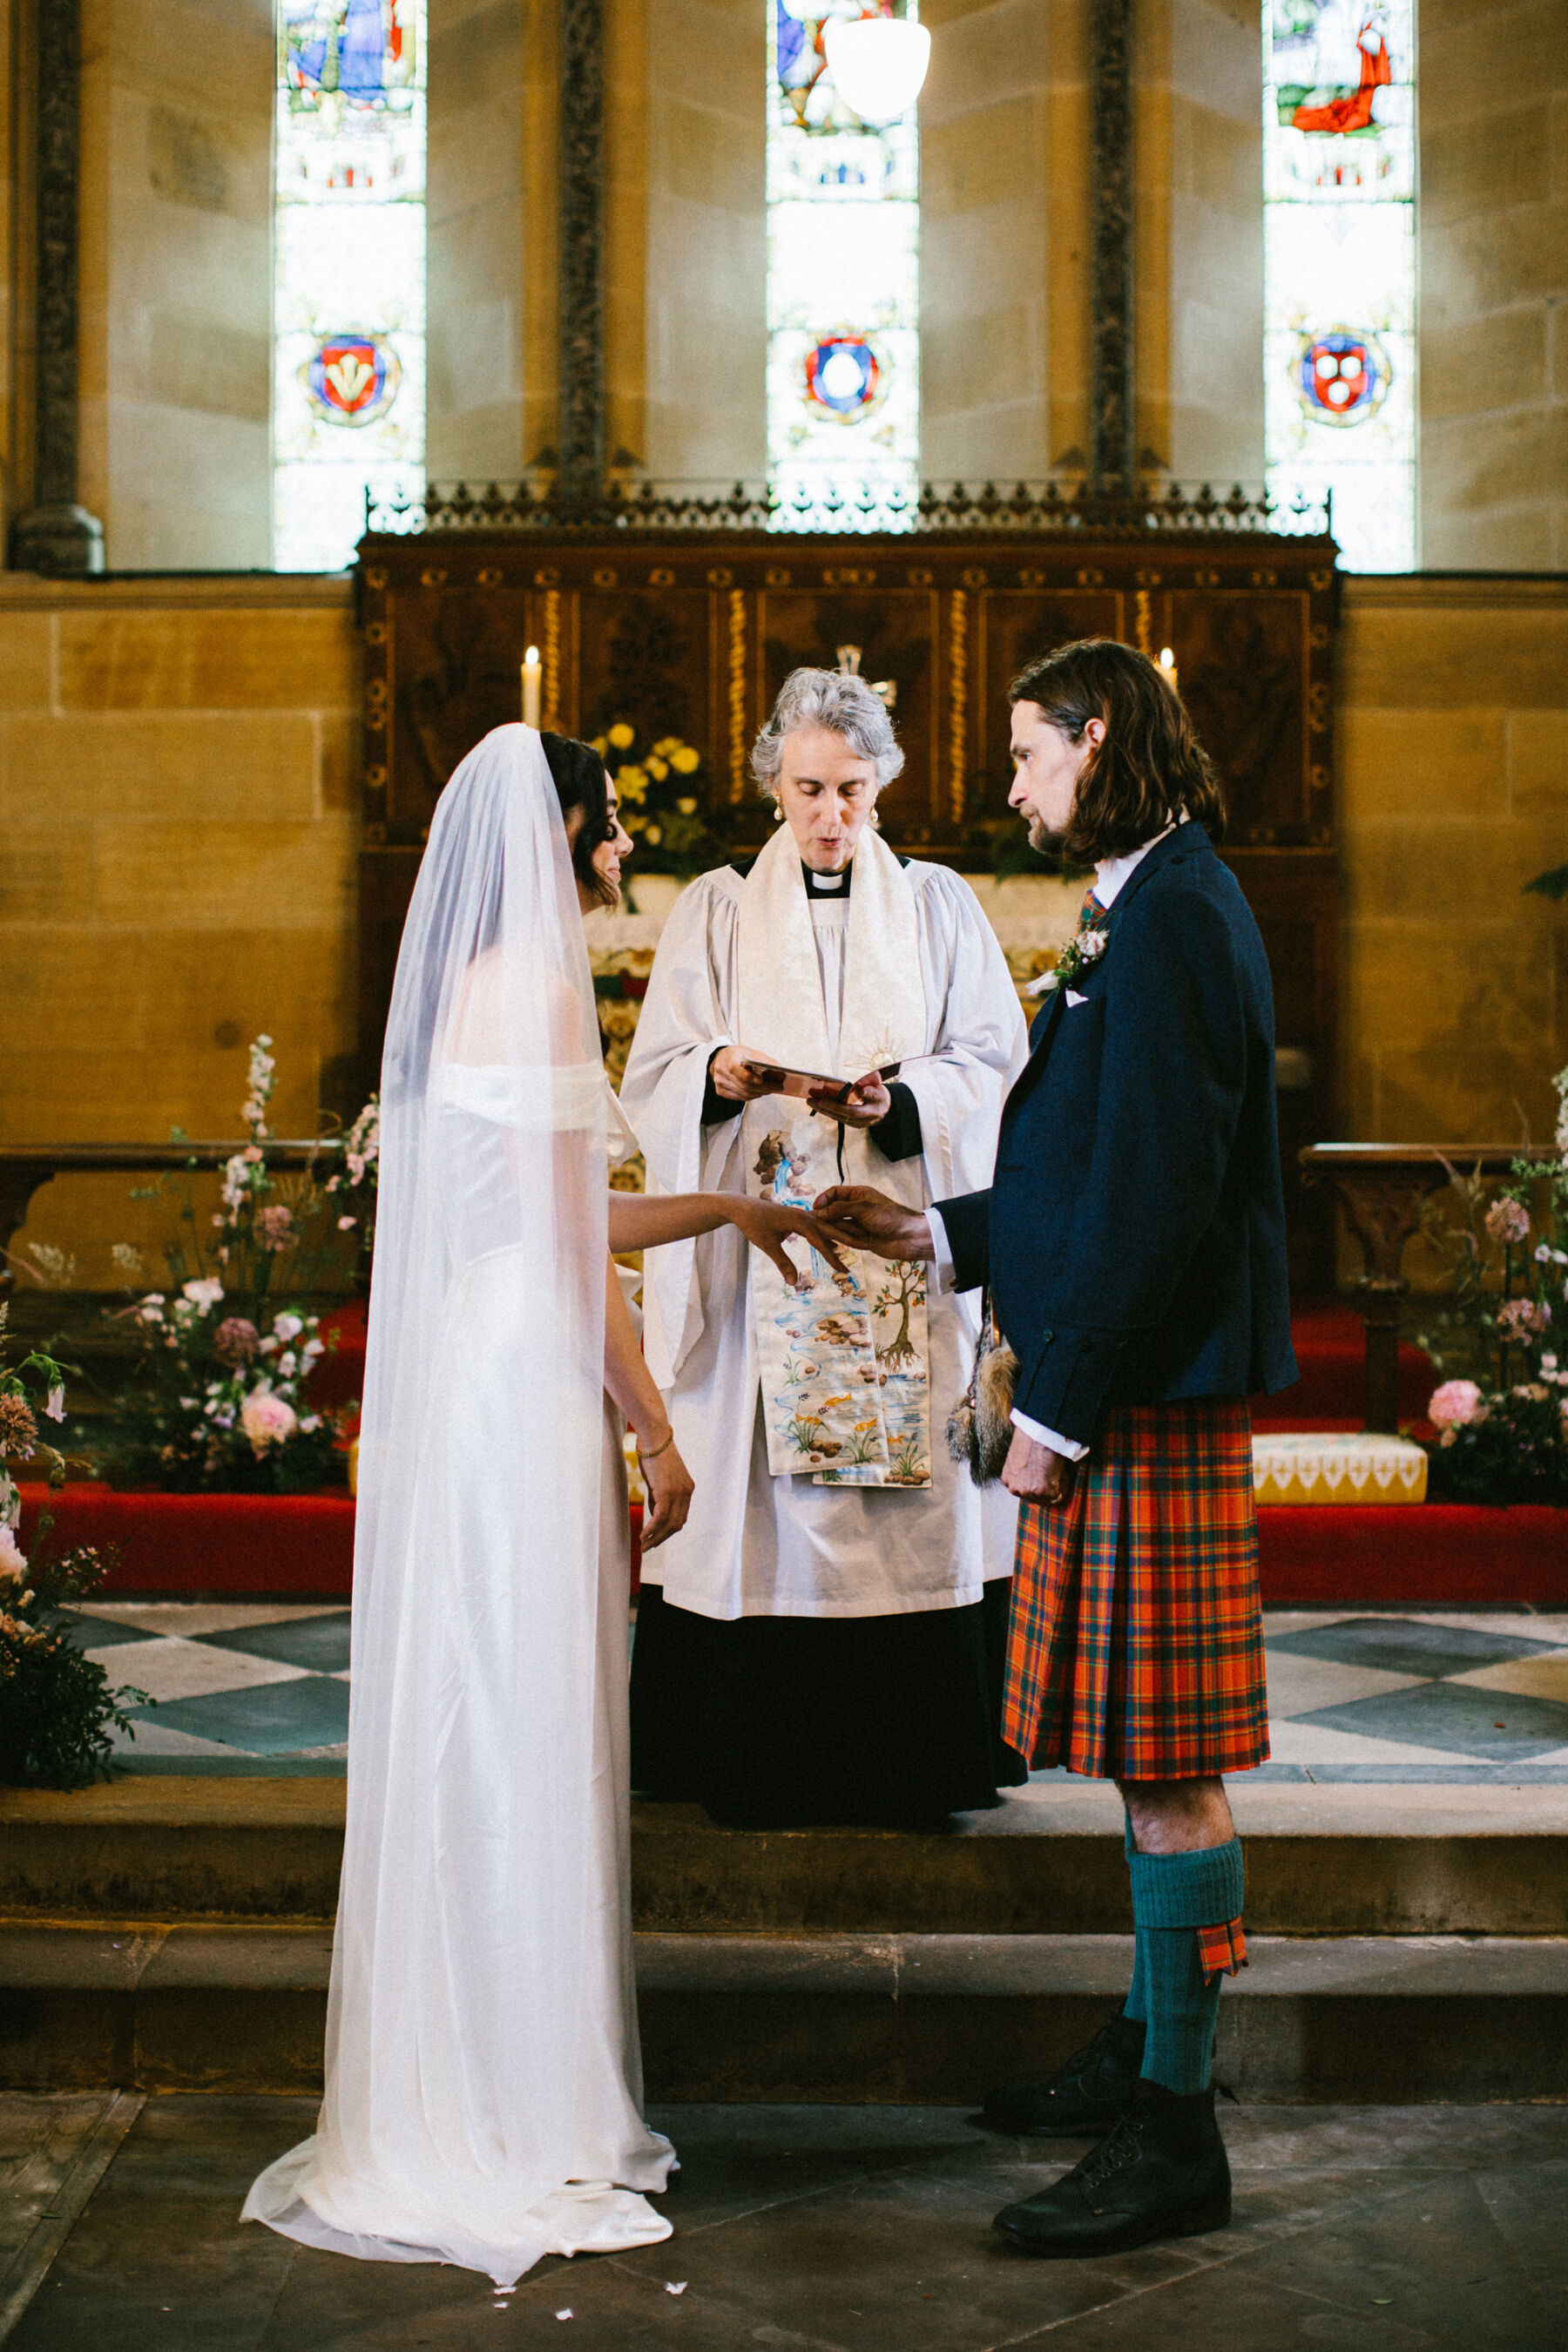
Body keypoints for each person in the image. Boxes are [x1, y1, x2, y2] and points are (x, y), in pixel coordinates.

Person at [242, 726, 839, 2288]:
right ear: (559, 834)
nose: (625, 849)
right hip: (539, 1378)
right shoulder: (543, 980)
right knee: (533, 1718)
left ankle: (480, 2077)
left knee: (489, 1712)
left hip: (484, 1366)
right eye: (611, 825)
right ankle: (520, 2106)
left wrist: (724, 1203)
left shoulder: (471, 981)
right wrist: (654, 1432)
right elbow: (583, 1246)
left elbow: (566, 1214)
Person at [817, 639, 1296, 2259]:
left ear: (1097, 743)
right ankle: (1153, 2048)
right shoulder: (1146, 904)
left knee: (1169, 1768)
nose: (1013, 785)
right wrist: (933, 1229)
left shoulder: (1172, 920)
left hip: (1141, 1396)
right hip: (1133, 1384)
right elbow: (1086, 1161)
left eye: (1030, 754)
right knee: (1145, 1767)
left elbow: (1157, 1200)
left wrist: (1050, 1414)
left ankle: (1179, 2124)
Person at [618, 668, 1028, 1829]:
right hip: (765, 1252)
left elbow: (996, 1063)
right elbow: (653, 1073)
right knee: (767, 1494)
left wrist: (898, 1108)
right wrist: (718, 1076)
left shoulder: (941, 905)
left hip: (894, 1237)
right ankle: (756, 1755)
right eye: (808, 789)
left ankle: (911, 1761)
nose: (830, 815)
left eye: (852, 789)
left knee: (900, 1504)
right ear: (775, 781)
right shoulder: (711, 909)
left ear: (884, 780)